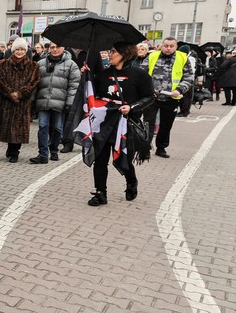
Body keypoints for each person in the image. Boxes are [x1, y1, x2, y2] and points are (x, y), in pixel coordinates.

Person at [86, 42, 154, 206]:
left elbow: (149, 97)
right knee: (100, 159)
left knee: (123, 159)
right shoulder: (102, 75)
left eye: (113, 52)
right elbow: (91, 95)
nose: (110, 54)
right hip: (104, 124)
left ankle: (131, 181)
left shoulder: (139, 74)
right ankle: (100, 193)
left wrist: (131, 107)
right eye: (110, 51)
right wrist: (86, 76)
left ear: (124, 53)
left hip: (126, 124)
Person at [142, 37, 194, 158]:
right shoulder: (152, 56)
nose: (168, 48)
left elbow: (189, 78)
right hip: (152, 97)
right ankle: (145, 148)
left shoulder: (183, 58)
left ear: (176, 47)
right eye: (166, 46)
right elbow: (142, 74)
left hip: (171, 98)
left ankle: (161, 148)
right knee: (148, 123)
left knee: (166, 125)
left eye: (171, 46)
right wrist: (146, 89)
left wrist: (179, 89)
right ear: (162, 46)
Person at [30, 43, 79, 164]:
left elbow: (74, 85)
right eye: (52, 47)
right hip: (43, 101)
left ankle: (54, 150)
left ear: (63, 48)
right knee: (42, 127)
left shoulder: (71, 64)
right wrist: (32, 100)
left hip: (60, 102)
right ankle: (43, 154)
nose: (55, 50)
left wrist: (69, 102)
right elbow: (34, 83)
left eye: (58, 47)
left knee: (57, 128)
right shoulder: (41, 63)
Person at [0, 37, 40, 163]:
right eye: (17, 49)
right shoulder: (4, 64)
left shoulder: (32, 66)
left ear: (26, 51)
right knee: (8, 128)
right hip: (7, 101)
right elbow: (0, 80)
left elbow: (33, 82)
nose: (19, 52)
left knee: (19, 129)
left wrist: (20, 94)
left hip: (23, 102)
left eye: (22, 49)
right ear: (13, 50)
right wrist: (10, 93)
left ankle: (15, 152)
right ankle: (10, 148)